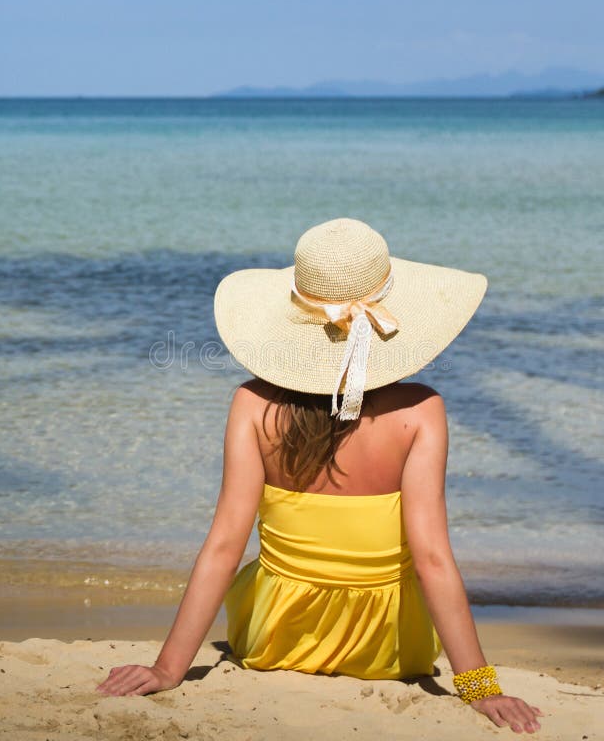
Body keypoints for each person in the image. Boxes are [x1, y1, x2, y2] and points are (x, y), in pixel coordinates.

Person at [97, 218, 544, 734]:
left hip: (272, 637)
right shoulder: (421, 412)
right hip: (389, 649)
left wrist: (167, 668)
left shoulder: (252, 405)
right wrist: (479, 688)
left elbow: (224, 545)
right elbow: (432, 559)